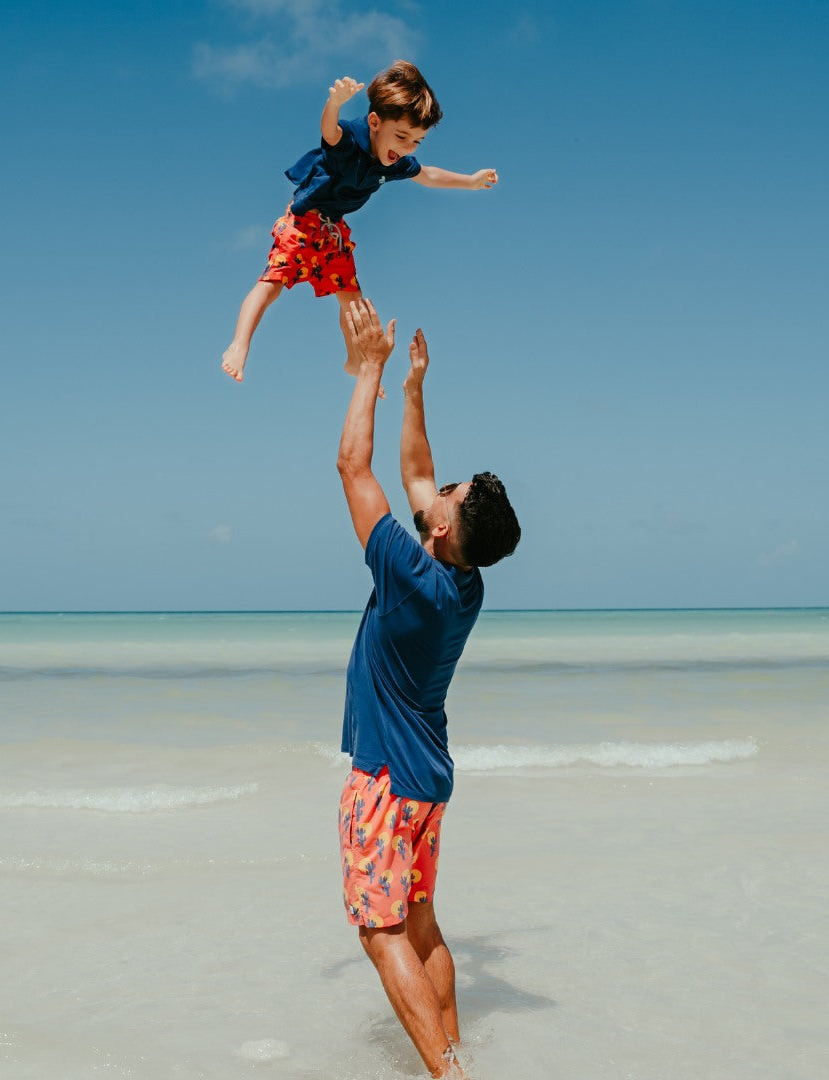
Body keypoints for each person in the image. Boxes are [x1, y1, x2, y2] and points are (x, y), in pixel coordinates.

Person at [335, 298, 521, 1079]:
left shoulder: (409, 575)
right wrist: (413, 389)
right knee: (422, 925)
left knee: (379, 935)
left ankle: (446, 1073)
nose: (437, 489)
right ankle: (456, 1052)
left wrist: (368, 371)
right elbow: (414, 472)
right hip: (429, 782)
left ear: (440, 532)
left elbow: (356, 468)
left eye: (448, 494)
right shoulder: (464, 581)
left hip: (384, 781)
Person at [221, 60, 498, 384]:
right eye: (402, 136)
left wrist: (471, 180)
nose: (407, 148)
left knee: (352, 299)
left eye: (416, 141)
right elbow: (330, 132)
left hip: (333, 230)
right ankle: (239, 345)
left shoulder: (396, 162)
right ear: (375, 122)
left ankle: (354, 360)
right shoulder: (351, 142)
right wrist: (335, 103)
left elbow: (428, 175)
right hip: (301, 222)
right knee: (271, 286)